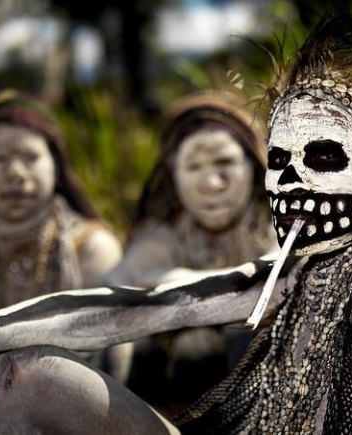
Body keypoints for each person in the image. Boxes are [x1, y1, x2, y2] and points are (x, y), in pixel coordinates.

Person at [0, 16, 352, 434]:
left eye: (325, 158)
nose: (291, 183)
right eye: (280, 161)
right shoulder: (294, 271)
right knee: (23, 373)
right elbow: (136, 309)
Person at [0, 90, 124, 434]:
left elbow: (120, 367)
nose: (15, 172)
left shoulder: (93, 252)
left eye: (30, 157)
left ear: (56, 168)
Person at [104, 93, 276, 410]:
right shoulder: (161, 238)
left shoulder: (283, 228)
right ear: (174, 176)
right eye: (193, 166)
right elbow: (115, 295)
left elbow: (280, 281)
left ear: (253, 167)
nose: (211, 182)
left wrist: (189, 295)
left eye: (225, 163)